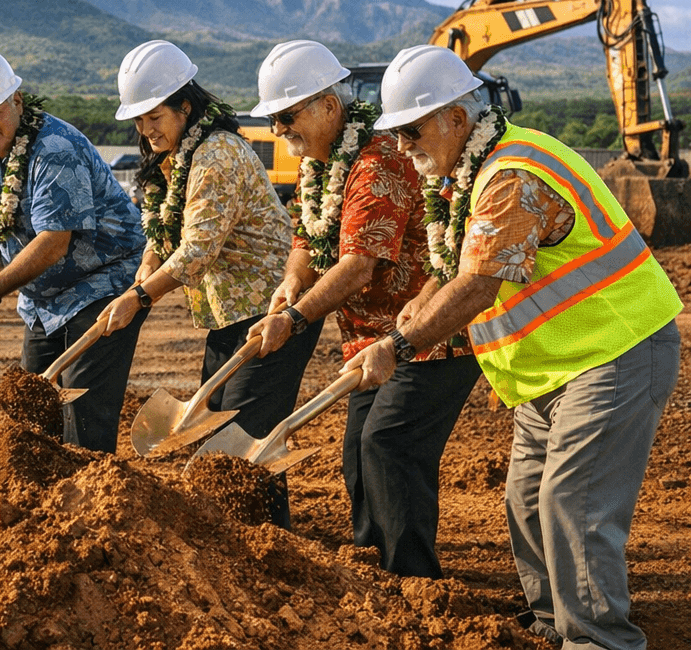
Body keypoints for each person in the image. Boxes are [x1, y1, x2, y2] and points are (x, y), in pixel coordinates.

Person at [344, 45, 681, 650]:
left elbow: (476, 284)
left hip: (613, 350)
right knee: (528, 502)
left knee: (571, 506)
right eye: (394, 134)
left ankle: (597, 641)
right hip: (555, 367)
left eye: (411, 130)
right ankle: (553, 626)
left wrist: (397, 343)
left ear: (455, 117)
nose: (402, 146)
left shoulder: (510, 175)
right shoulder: (464, 176)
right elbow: (452, 267)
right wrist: (410, 313)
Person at [246, 40, 479, 571]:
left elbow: (358, 265)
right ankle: (373, 569)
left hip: (431, 334)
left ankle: (414, 578)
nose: (280, 130)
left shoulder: (378, 166)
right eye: (274, 120)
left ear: (329, 108)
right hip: (369, 344)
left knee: (389, 447)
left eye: (286, 116)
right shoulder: (321, 167)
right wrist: (290, 284)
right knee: (358, 454)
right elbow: (309, 235)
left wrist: (294, 317)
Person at [99, 41, 307, 526]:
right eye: (140, 121)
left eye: (155, 117)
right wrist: (149, 262)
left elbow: (196, 250)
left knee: (245, 432)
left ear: (185, 106)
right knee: (218, 419)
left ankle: (272, 541)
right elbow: (161, 228)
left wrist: (139, 297)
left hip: (273, 302)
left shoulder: (217, 155)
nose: (146, 130)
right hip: (228, 310)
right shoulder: (169, 159)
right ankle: (247, 534)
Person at [0, 47, 146, 453]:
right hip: (43, 298)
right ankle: (39, 508)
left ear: (17, 101)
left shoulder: (55, 149)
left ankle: (93, 501)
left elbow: (54, 242)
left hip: (103, 284)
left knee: (83, 413)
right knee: (31, 411)